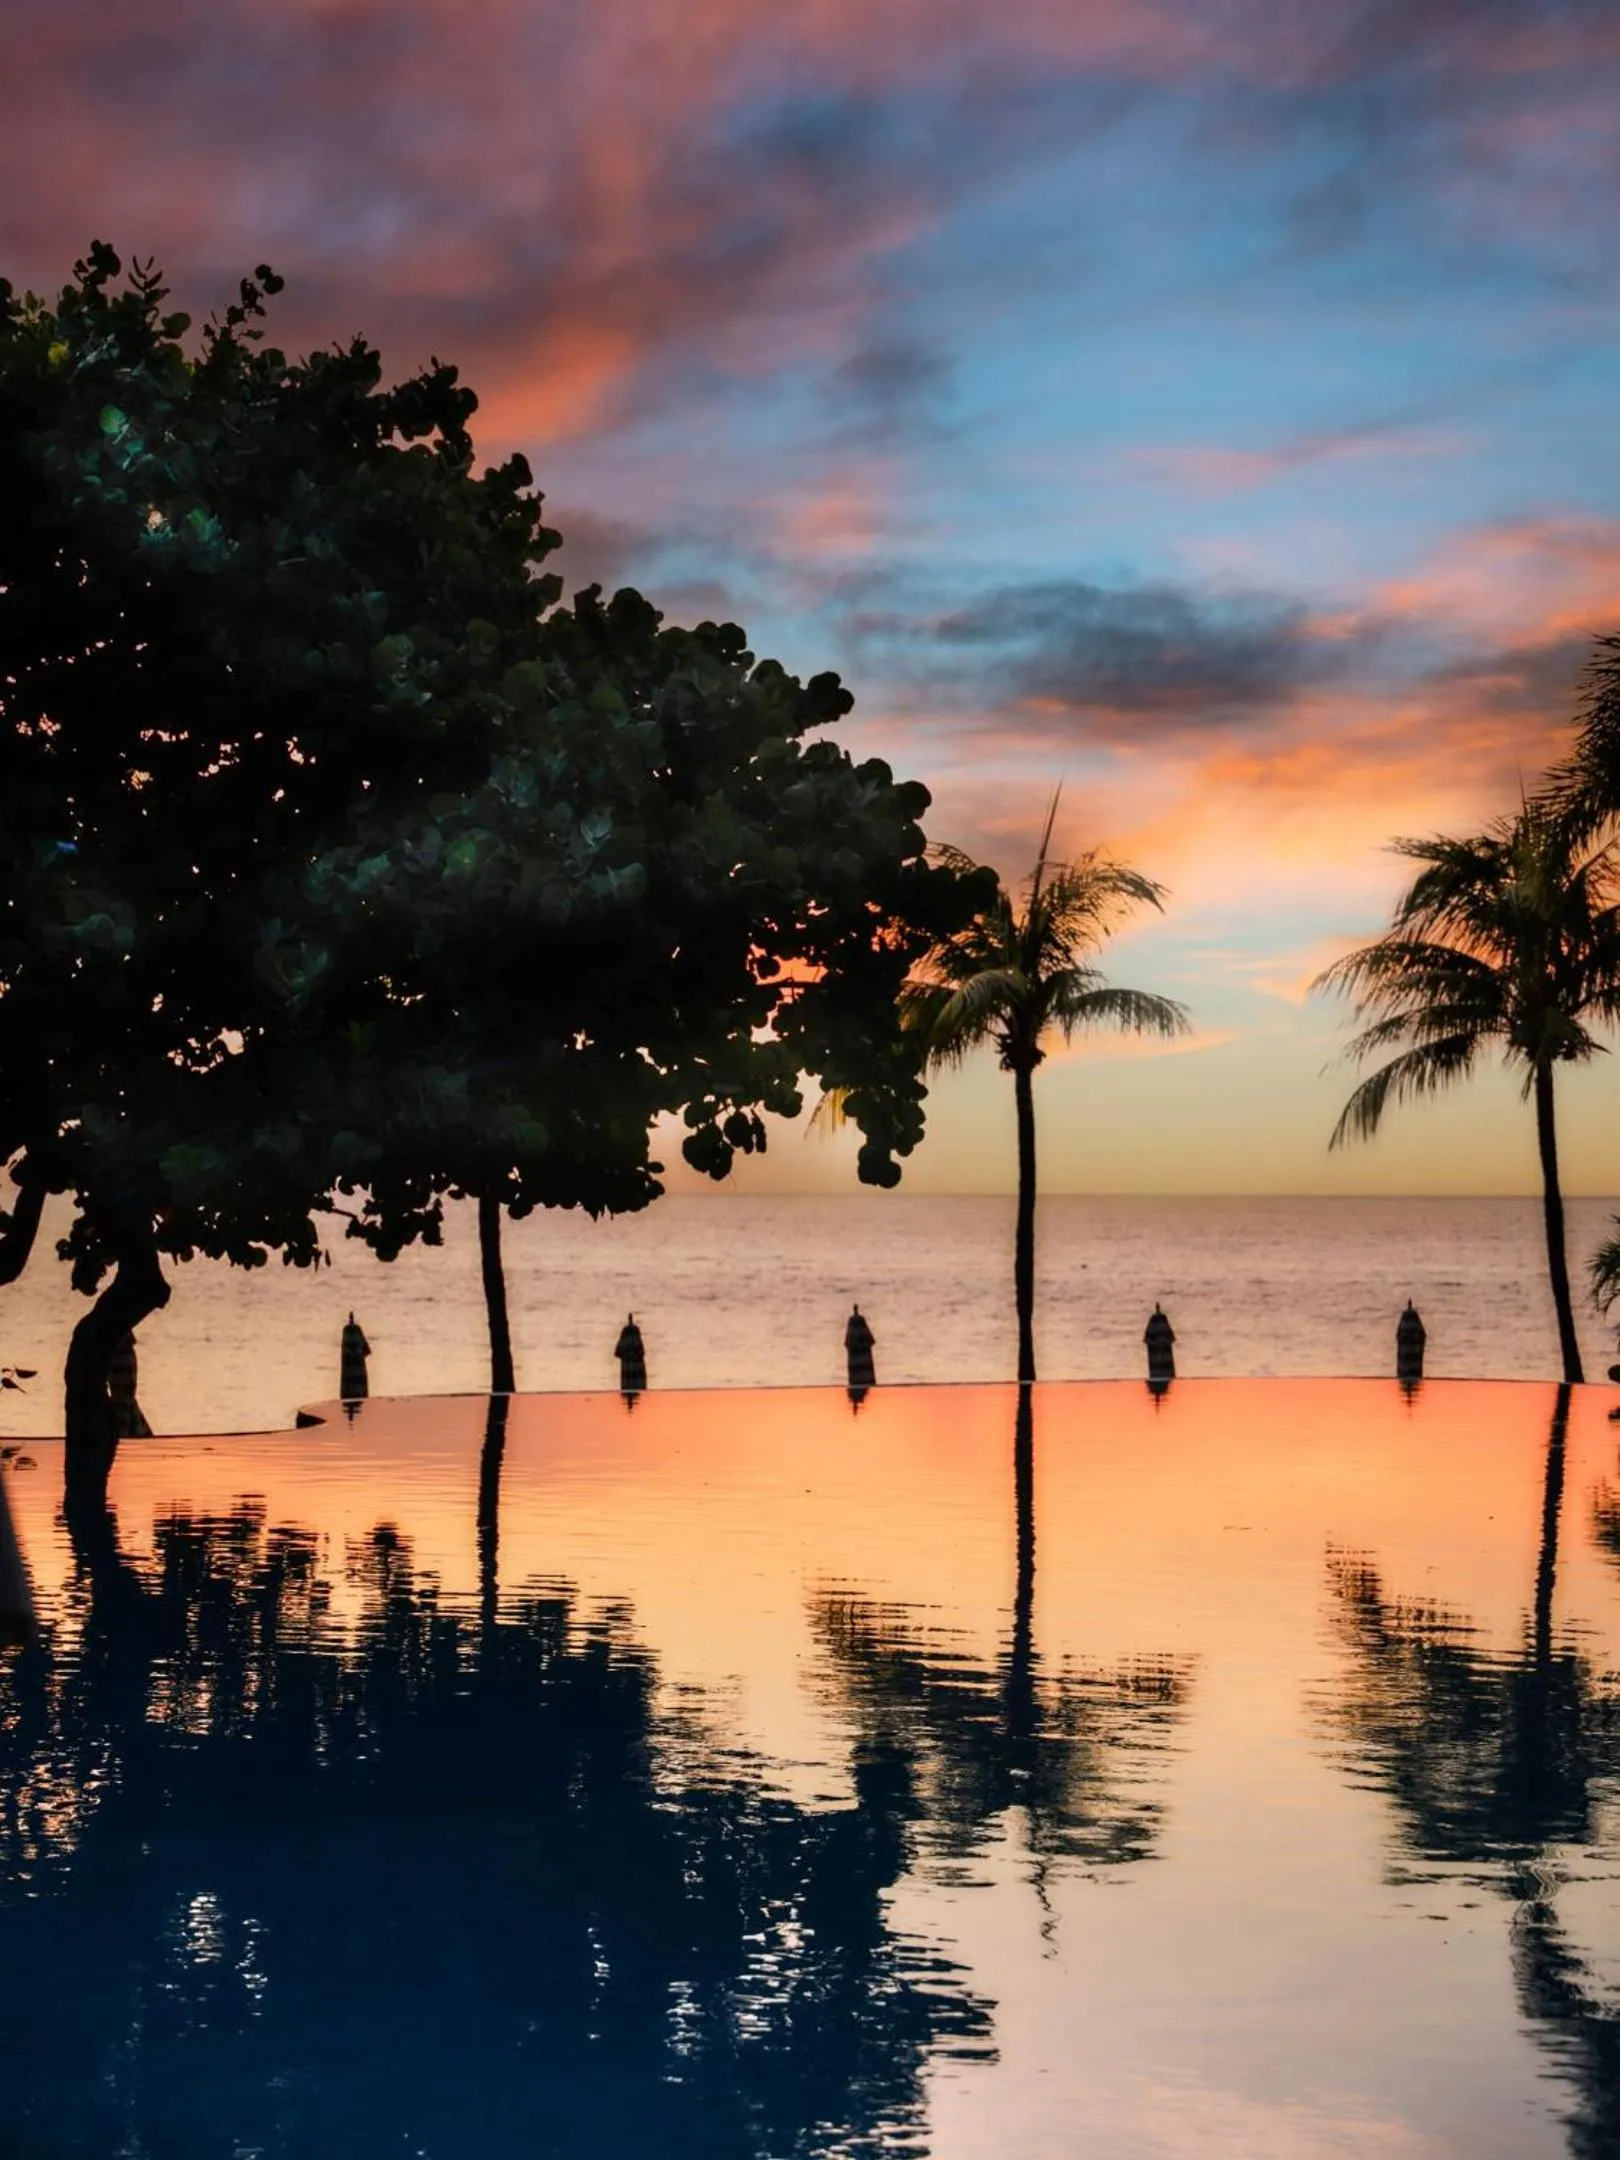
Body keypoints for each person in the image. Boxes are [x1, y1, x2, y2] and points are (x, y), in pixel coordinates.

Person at [845, 1305, 876, 1393]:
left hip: (856, 1364)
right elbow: (870, 1340)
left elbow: (847, 1342)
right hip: (862, 1363)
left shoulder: (852, 1326)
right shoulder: (859, 1324)